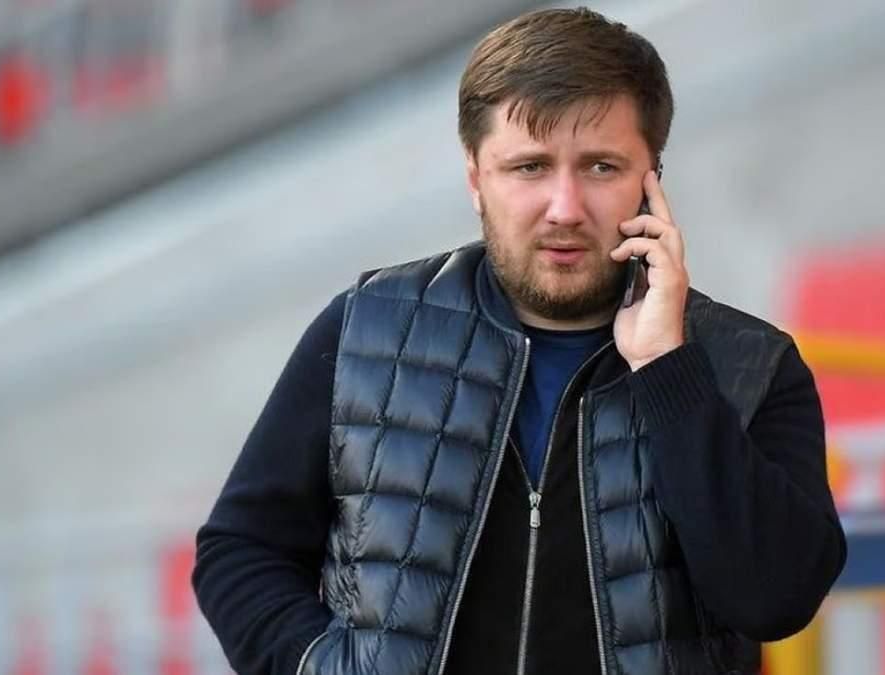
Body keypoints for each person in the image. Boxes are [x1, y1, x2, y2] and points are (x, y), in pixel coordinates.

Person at [192, 7, 846, 675]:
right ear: (477, 178)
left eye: (600, 167)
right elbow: (239, 550)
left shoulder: (750, 366)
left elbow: (776, 599)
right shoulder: (366, 329)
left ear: (651, 179)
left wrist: (667, 369)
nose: (564, 208)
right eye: (529, 167)